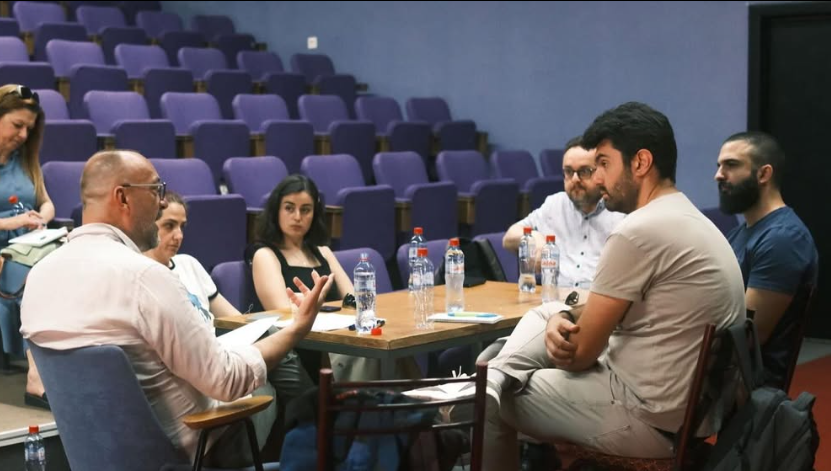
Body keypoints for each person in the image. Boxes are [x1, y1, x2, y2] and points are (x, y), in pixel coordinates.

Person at [20, 150, 329, 468]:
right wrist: (297, 329)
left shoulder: (38, 277)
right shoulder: (145, 278)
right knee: (293, 407)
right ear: (123, 198)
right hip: (191, 456)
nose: (162, 201)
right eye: (156, 190)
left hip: (96, 459)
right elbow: (226, 381)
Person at [482, 102, 746, 469]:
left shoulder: (637, 231)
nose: (597, 179)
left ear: (640, 162)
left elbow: (579, 356)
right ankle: (497, 375)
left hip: (643, 417)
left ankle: (490, 382)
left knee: (487, 403)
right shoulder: (688, 215)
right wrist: (563, 315)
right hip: (687, 415)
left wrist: (560, 332)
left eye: (604, 164)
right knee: (549, 314)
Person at [145, 191, 314, 407]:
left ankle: (310, 408)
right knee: (268, 369)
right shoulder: (145, 275)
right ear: (149, 226)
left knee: (269, 334)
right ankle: (313, 407)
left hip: (222, 350)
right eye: (169, 226)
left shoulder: (189, 263)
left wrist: (269, 324)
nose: (179, 236)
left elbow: (234, 318)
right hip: (199, 363)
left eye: (182, 227)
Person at [246, 175, 420, 381]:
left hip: (341, 335)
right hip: (305, 344)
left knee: (394, 345)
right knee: (373, 352)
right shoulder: (265, 255)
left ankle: (414, 399)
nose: (297, 217)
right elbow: (283, 313)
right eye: (289, 208)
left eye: (305, 210)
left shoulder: (323, 252)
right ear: (276, 210)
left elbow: (354, 300)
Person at [715, 131, 819, 387]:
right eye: (719, 166)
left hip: (747, 389)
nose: (718, 175)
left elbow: (746, 338)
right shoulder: (739, 234)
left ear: (763, 174)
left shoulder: (783, 238)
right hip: (723, 378)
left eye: (731, 165)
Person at [503, 136, 625, 289]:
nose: (575, 179)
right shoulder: (555, 204)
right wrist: (535, 238)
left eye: (585, 171)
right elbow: (509, 237)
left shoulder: (621, 209)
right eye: (568, 171)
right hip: (556, 297)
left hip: (601, 298)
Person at [0, 84, 54, 409]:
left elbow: (47, 203)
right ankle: (36, 377)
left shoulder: (26, 159)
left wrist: (41, 217)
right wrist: (10, 223)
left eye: (28, 129)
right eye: (17, 125)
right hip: (7, 252)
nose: (23, 135)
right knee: (34, 275)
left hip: (31, 243)